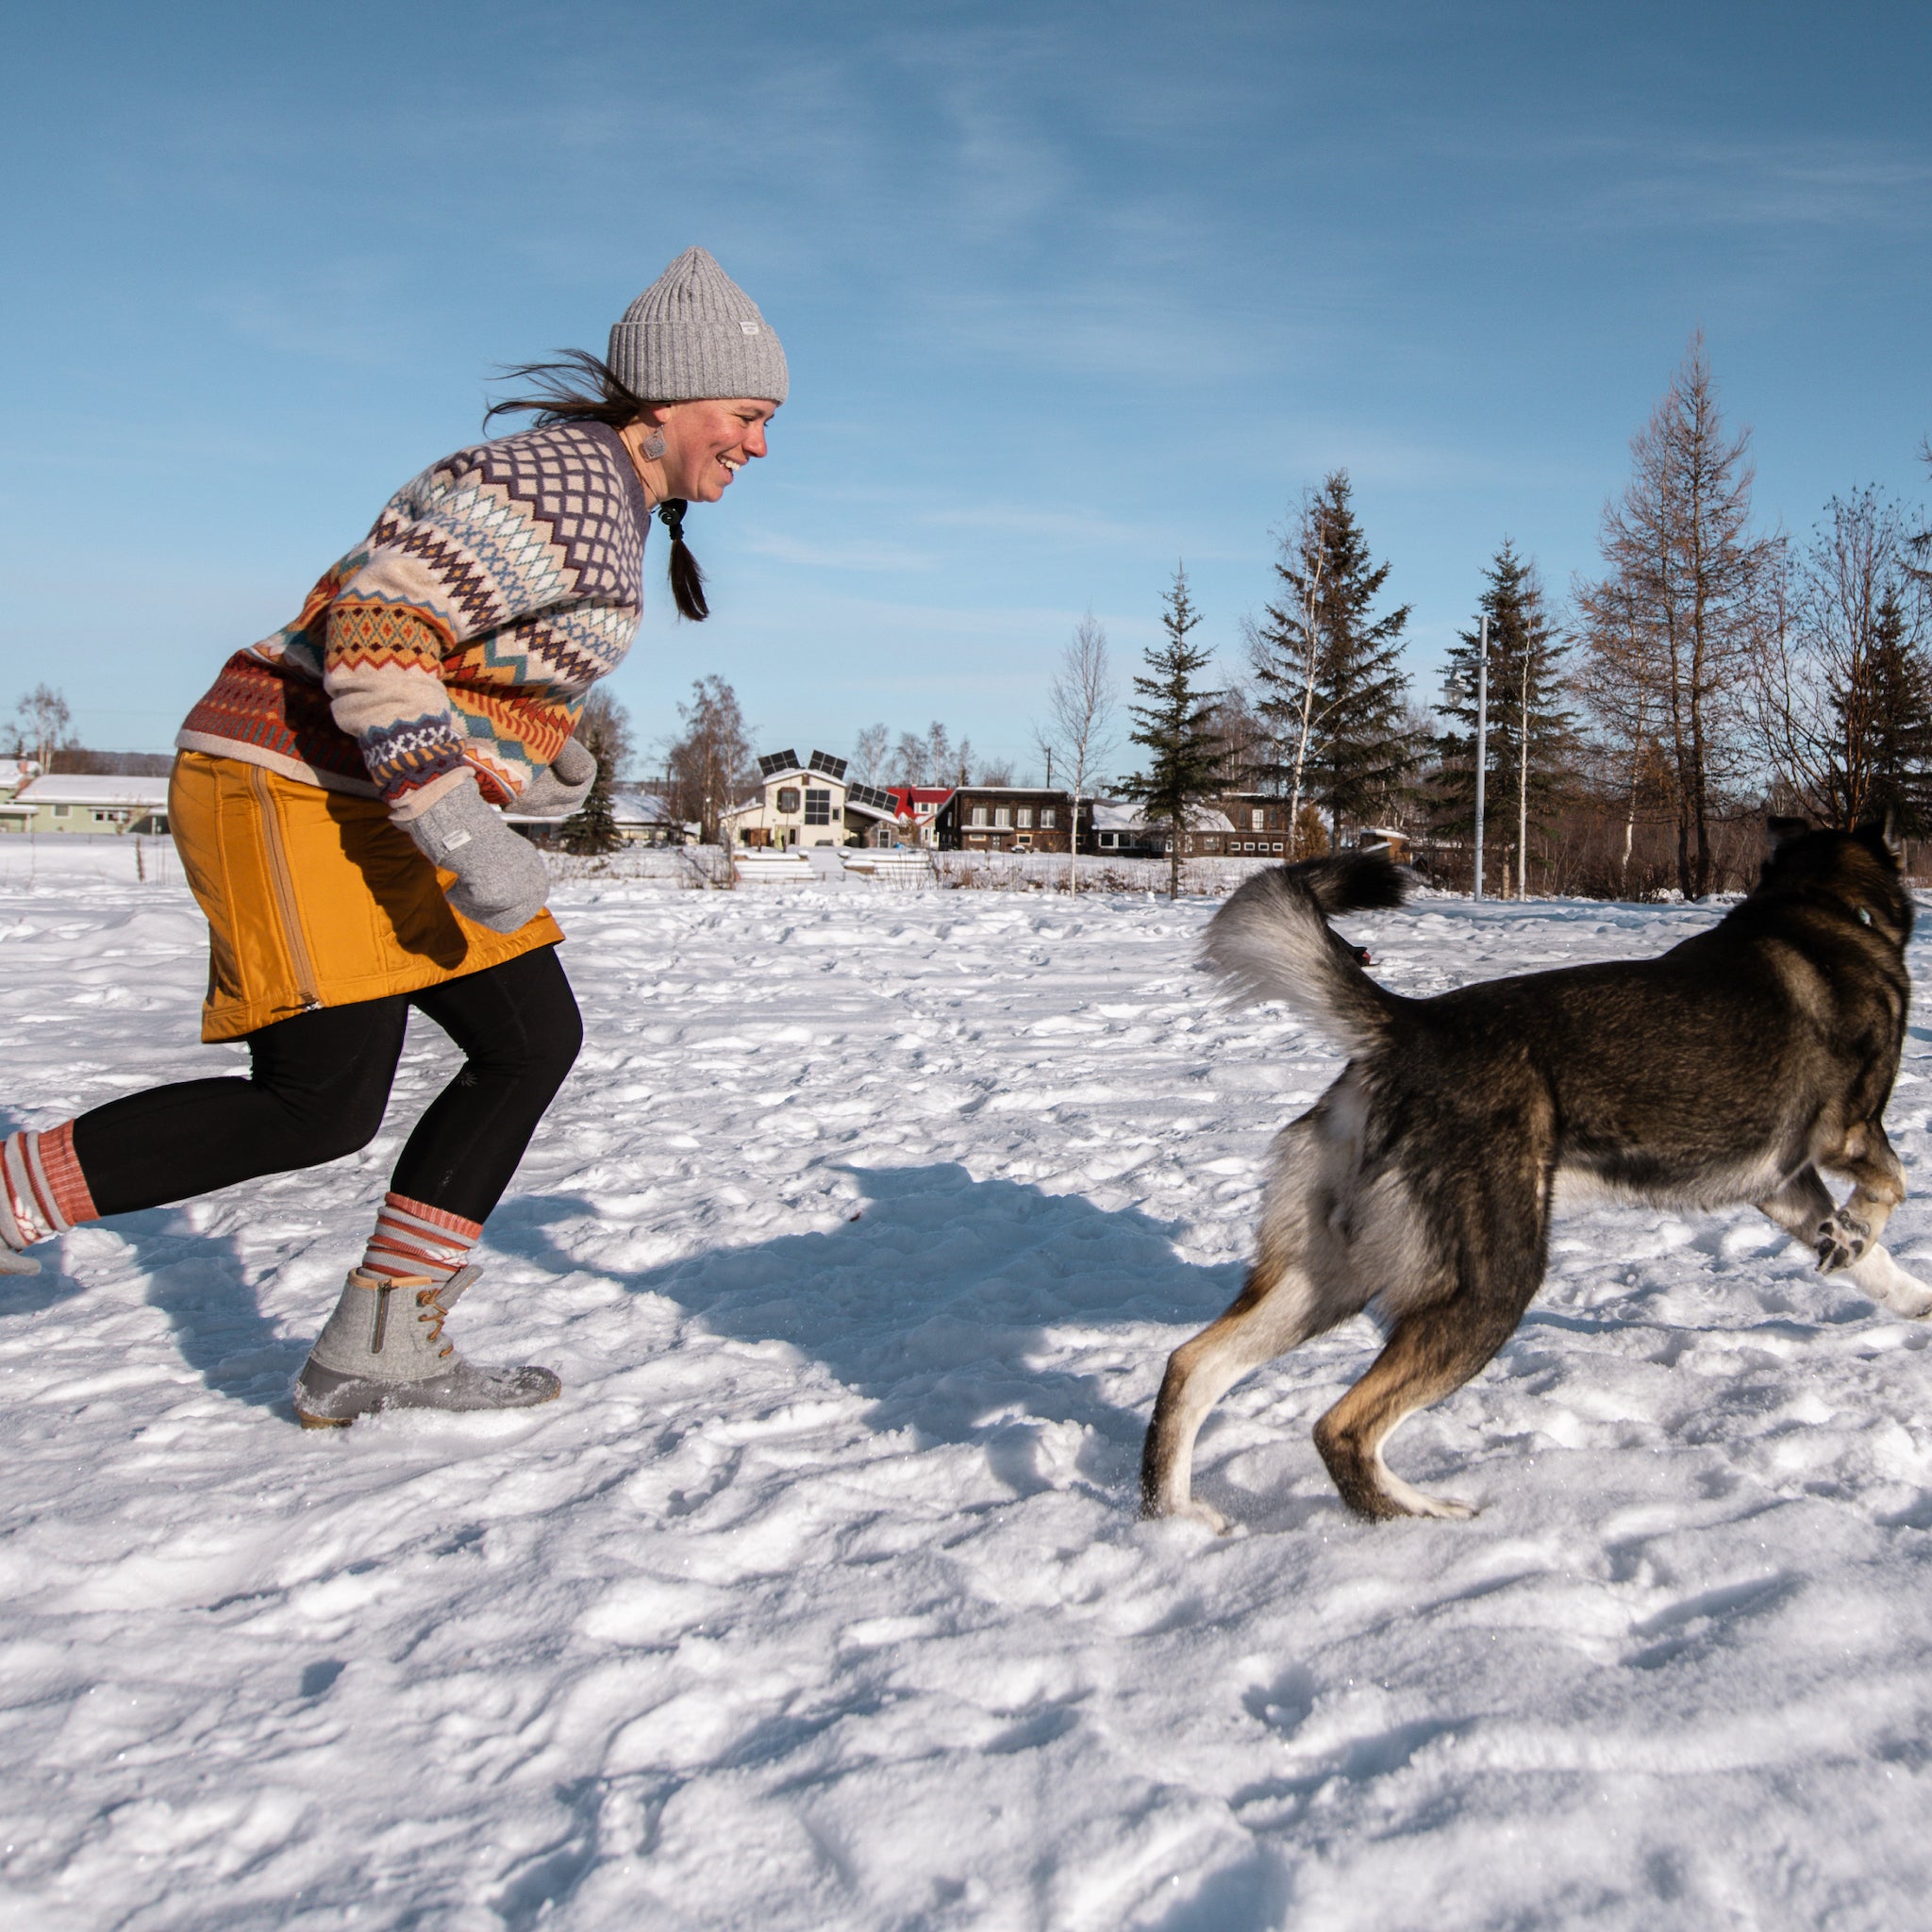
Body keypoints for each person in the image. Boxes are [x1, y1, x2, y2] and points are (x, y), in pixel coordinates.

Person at [0, 246, 785, 1426]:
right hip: (288, 781)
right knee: (317, 1102)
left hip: (362, 794)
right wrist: (457, 817)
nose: (757, 445)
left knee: (529, 1037)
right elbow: (378, 622)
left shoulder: (607, 493)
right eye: (745, 414)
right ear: (668, 400)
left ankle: (383, 1332)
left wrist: (528, 747)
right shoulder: (565, 481)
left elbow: (452, 643)